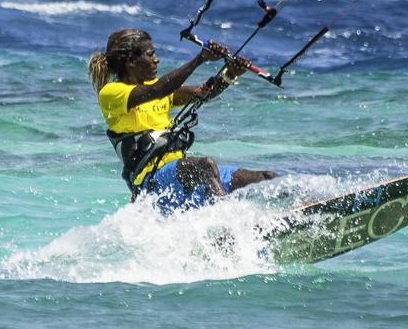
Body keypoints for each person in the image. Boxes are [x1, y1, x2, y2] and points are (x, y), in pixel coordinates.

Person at [88, 28, 277, 211]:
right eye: (150, 54)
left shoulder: (157, 88)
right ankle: (224, 224)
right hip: (152, 182)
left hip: (182, 174)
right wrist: (199, 59)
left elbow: (203, 93)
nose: (157, 60)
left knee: (265, 177)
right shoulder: (111, 93)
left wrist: (230, 74)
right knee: (205, 166)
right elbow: (158, 90)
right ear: (131, 62)